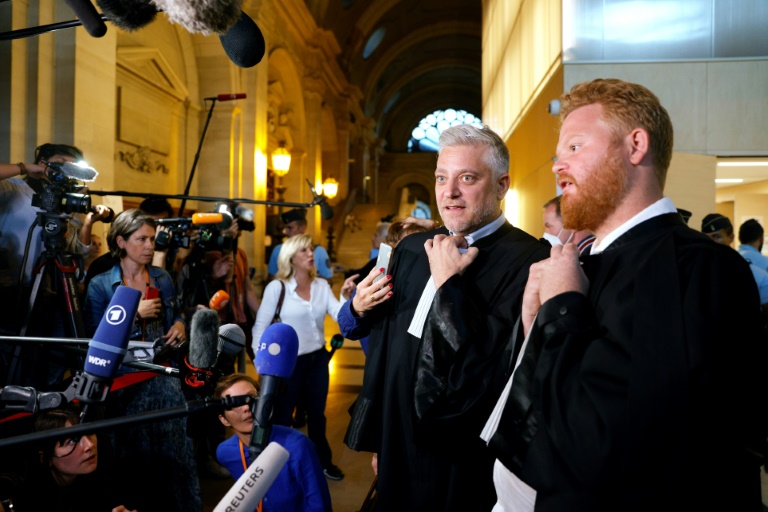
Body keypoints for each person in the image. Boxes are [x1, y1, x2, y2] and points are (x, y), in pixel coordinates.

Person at [483, 78, 766, 511]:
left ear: (635, 146)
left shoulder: (699, 268)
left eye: (574, 147)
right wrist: (534, 324)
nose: (558, 166)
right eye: (558, 154)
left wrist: (560, 309)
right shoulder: (585, 262)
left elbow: (607, 446)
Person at [343, 123, 550, 510]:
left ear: (502, 185)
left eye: (467, 178)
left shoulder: (530, 261)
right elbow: (386, 346)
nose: (449, 192)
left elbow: (493, 368)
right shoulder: (412, 249)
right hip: (399, 437)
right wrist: (379, 438)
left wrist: (449, 284)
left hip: (463, 453)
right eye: (441, 177)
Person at [83, 209, 202, 512]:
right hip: (122, 383)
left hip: (163, 379)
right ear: (121, 242)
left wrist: (180, 325)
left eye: (151, 239)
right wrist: (133, 314)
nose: (150, 246)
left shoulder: (162, 277)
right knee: (129, 458)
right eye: (141, 239)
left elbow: (175, 314)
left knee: (173, 455)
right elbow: (94, 338)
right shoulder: (100, 284)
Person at [0, 144, 111, 387]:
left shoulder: (67, 201)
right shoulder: (13, 188)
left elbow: (78, 249)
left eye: (72, 166)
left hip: (53, 291)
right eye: (60, 163)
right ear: (42, 161)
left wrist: (88, 221)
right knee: (14, 358)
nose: (65, 170)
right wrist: (24, 168)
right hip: (13, 291)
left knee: (50, 358)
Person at [252, 234, 357, 481]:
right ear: (291, 258)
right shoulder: (277, 288)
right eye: (304, 251)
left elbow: (338, 314)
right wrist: (262, 364)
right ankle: (279, 467)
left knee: (317, 415)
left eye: (311, 249)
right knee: (283, 416)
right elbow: (260, 327)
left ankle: (322, 462)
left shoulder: (321, 285)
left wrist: (345, 296)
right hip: (287, 364)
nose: (311, 254)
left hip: (318, 359)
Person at [213, 373, 332, 511]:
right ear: (224, 420)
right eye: (234, 403)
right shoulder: (225, 453)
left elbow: (319, 505)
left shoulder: (297, 445)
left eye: (251, 397)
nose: (246, 407)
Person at [5, 405, 136, 512]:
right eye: (73, 440)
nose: (89, 445)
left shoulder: (97, 481)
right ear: (45, 458)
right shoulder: (20, 494)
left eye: (89, 431)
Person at [338, 217, 431, 355]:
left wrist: (433, 224)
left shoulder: (430, 281)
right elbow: (348, 329)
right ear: (392, 246)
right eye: (411, 246)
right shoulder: (377, 281)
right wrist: (357, 307)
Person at [702, 213, 768, 314]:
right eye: (706, 238)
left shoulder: (753, 273)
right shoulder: (698, 270)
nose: (710, 242)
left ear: (731, 237)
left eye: (717, 237)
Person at [267, 208, 334, 280]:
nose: (286, 232)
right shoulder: (278, 250)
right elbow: (271, 278)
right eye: (285, 228)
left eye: (290, 228)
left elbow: (328, 281)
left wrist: (309, 276)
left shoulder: (319, 251)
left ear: (302, 228)